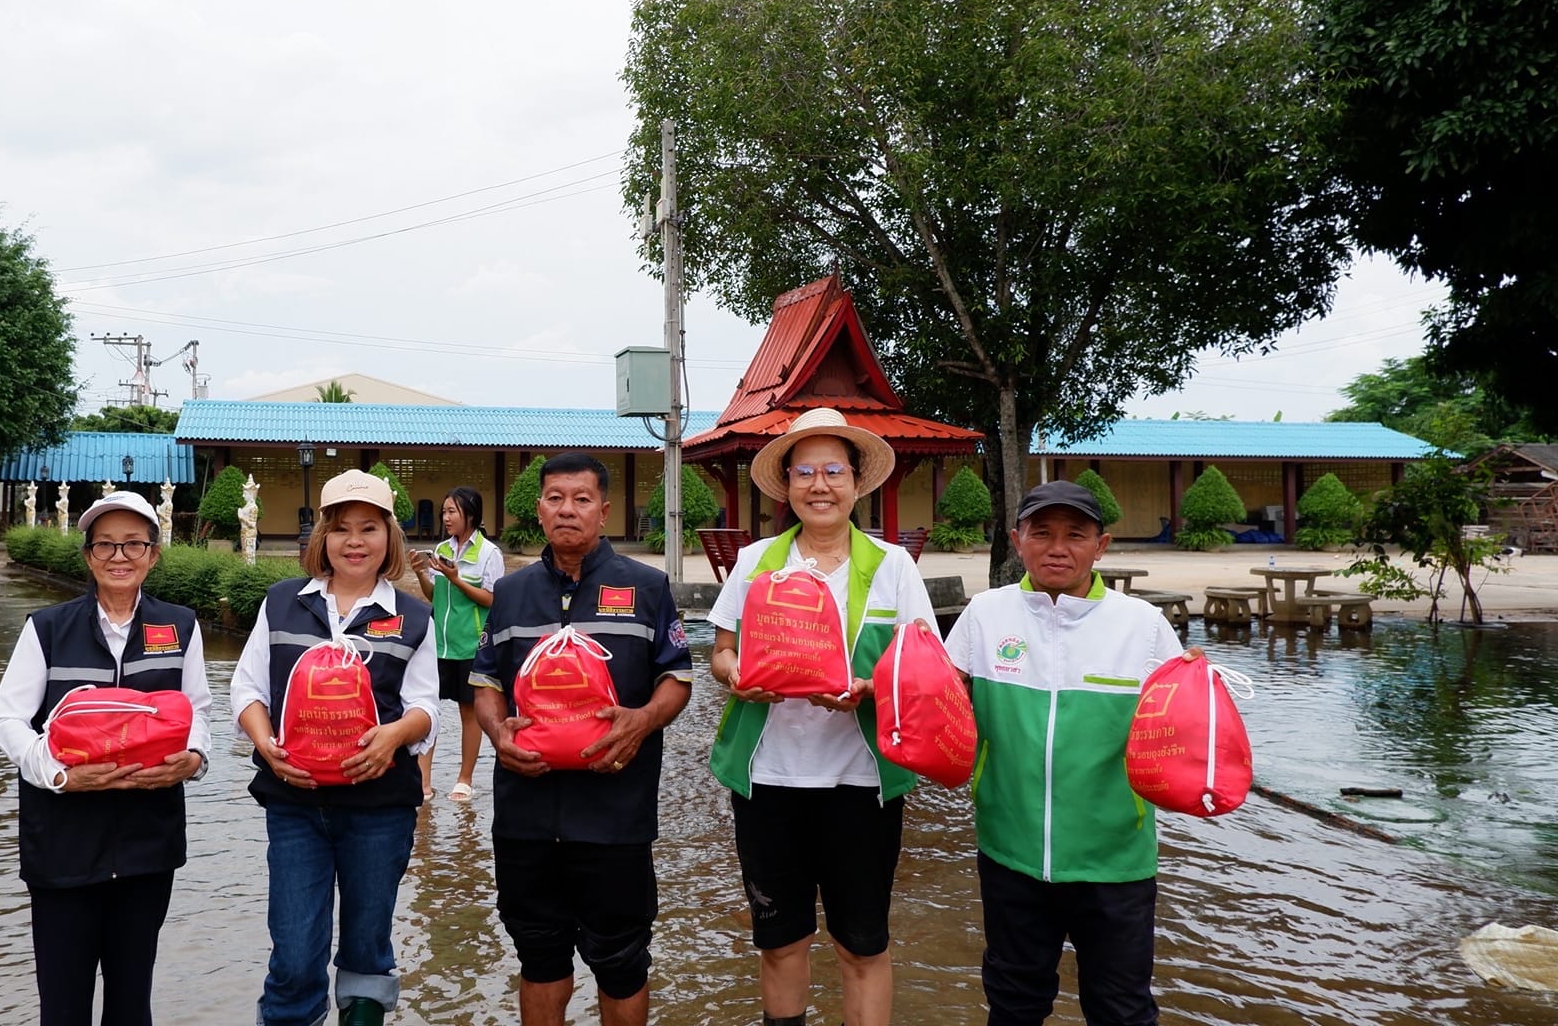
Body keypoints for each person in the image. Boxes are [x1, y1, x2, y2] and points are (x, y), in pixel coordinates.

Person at [705, 408, 939, 1026]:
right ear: (787, 485)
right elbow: (720, 652)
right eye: (804, 471)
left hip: (861, 783)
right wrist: (736, 678)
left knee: (862, 942)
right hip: (768, 779)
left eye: (834, 470)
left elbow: (927, 669)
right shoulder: (757, 560)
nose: (819, 484)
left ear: (858, 482)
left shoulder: (892, 567)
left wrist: (871, 687)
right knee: (779, 941)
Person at [942, 480, 1185, 1026]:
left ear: (1101, 546)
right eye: (1041, 533)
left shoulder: (1142, 625)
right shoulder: (984, 614)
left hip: (1115, 858)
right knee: (1013, 1001)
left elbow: (1181, 727)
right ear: (1016, 539)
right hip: (1010, 851)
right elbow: (939, 700)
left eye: (1076, 535)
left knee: (1121, 1008)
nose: (1058, 548)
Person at [471, 452, 693, 1026]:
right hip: (525, 815)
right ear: (539, 508)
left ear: (604, 510)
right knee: (539, 956)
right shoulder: (512, 593)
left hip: (615, 814)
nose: (567, 510)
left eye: (582, 499)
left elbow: (677, 677)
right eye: (555, 498)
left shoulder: (646, 587)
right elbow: (487, 682)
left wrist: (642, 720)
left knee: (621, 960)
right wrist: (498, 734)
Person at [0, 490, 213, 1026]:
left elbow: (199, 709)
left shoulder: (180, 626)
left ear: (154, 554)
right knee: (63, 1006)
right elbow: (6, 721)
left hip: (147, 846)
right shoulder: (47, 628)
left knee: (132, 1002)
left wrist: (195, 757)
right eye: (105, 545)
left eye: (133, 544)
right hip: (63, 845)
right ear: (87, 556)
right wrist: (60, 774)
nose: (119, 557)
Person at [229, 469, 439, 1026]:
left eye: (369, 527)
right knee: (296, 952)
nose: (354, 541)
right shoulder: (281, 604)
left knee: (368, 945)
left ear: (389, 537)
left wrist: (394, 735)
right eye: (341, 528)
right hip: (295, 803)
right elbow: (247, 688)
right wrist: (265, 744)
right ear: (321, 537)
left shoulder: (413, 616)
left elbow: (427, 706)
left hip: (379, 807)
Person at [410, 485, 504, 803]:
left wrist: (456, 579)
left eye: (452, 511)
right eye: (444, 511)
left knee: (469, 713)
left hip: (471, 645)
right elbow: (433, 597)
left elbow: (492, 600)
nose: (446, 517)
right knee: (429, 709)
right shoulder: (442, 549)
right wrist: (423, 573)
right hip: (437, 644)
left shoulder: (489, 554)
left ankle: (464, 779)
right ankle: (423, 780)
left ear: (471, 515)